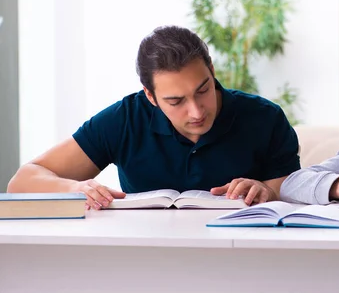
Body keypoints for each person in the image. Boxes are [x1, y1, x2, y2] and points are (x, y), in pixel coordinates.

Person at [8, 25, 301, 209]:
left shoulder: (265, 118)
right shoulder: (125, 119)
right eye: (175, 101)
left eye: (203, 90)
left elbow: (299, 192)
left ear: (211, 70)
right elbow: (23, 181)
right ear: (150, 96)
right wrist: (74, 187)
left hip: (246, 259)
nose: (196, 111)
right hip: (145, 259)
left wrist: (267, 190)